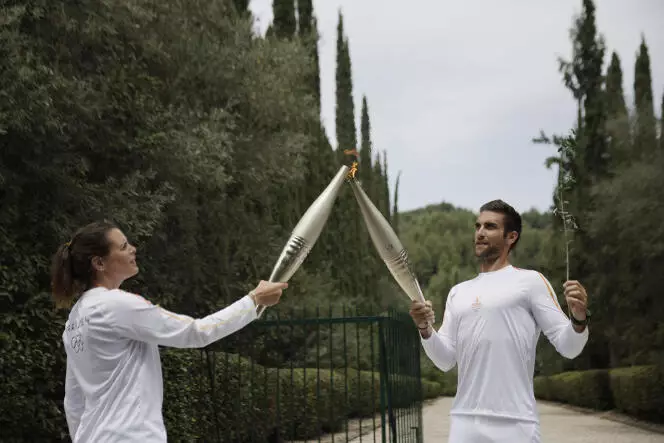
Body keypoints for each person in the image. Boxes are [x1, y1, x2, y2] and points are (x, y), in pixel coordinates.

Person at [51, 220, 288, 443]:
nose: (133, 249)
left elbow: (73, 401)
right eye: (123, 246)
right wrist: (253, 301)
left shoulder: (74, 319)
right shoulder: (116, 305)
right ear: (99, 263)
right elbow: (196, 332)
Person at [409, 199, 590, 443]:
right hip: (464, 423)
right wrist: (425, 329)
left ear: (511, 237)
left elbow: (569, 347)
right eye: (478, 226)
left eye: (490, 226)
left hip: (516, 424)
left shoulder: (531, 282)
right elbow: (444, 360)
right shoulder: (458, 292)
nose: (480, 233)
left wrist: (579, 319)